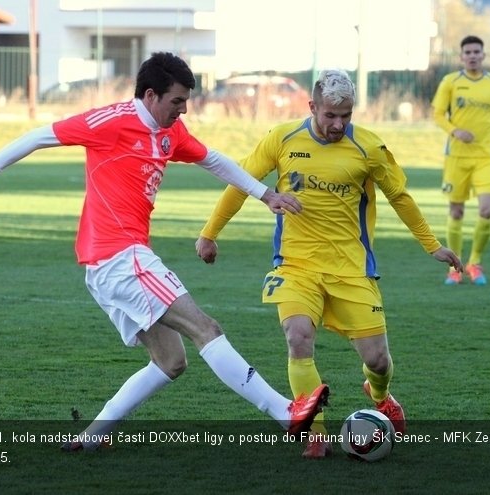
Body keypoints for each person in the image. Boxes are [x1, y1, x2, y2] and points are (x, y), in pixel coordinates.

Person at [0, 52, 329, 451]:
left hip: (109, 265)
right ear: (150, 95)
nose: (183, 110)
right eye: (177, 101)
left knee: (170, 362)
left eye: (186, 101)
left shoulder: (171, 133)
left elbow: (213, 160)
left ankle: (93, 437)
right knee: (205, 328)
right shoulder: (109, 122)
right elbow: (41, 135)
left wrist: (266, 195)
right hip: (120, 257)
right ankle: (286, 414)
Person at [195, 69, 463, 459]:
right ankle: (314, 432)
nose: (338, 124)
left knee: (378, 360)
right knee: (298, 337)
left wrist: (431, 245)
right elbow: (240, 182)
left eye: (346, 116)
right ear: (312, 107)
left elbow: (399, 196)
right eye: (330, 116)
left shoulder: (369, 148)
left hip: (352, 269)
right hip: (296, 265)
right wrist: (209, 233)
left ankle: (379, 393)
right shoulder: (282, 138)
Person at [431, 35, 490, 286]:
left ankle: (475, 263)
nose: (472, 56)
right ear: (461, 57)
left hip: (486, 157)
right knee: (456, 211)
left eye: (476, 52)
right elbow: (437, 114)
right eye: (467, 52)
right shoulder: (451, 82)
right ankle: (455, 268)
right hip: (457, 157)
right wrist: (455, 131)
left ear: (483, 55)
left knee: (486, 210)